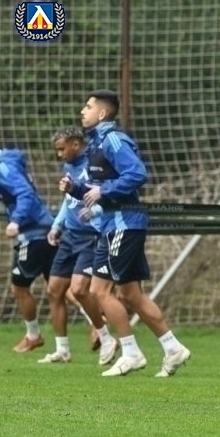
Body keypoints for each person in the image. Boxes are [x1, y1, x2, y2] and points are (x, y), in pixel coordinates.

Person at [60, 89, 190, 377]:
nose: (82, 111)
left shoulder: (114, 139)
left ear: (102, 113)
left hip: (124, 224)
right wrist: (76, 189)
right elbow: (99, 190)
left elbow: (137, 174)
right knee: (129, 294)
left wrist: (102, 191)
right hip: (112, 224)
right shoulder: (97, 143)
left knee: (101, 291)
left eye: (88, 106)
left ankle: (131, 353)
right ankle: (172, 348)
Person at [0, 136, 57, 352]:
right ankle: (98, 328)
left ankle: (33, 336)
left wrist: (15, 221)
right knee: (59, 286)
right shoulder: (6, 164)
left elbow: (25, 193)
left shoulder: (4, 168)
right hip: (45, 229)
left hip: (33, 233)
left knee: (19, 287)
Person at [38, 126, 118, 365]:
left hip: (92, 236)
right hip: (70, 235)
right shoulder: (68, 166)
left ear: (75, 144)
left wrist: (96, 210)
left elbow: (111, 192)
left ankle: (106, 337)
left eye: (62, 149)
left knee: (80, 289)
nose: (59, 154)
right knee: (54, 290)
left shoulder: (96, 162)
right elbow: (68, 200)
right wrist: (57, 225)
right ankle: (62, 350)